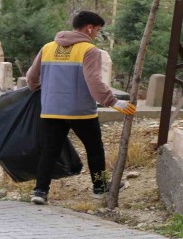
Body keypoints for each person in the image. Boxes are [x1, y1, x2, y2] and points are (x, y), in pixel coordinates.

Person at [26, 11, 136, 205]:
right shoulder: (89, 50)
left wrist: (45, 93)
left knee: (49, 151)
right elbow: (93, 80)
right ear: (89, 28)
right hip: (80, 112)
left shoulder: (48, 47)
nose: (96, 35)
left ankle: (40, 191)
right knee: (94, 149)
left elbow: (31, 78)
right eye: (98, 30)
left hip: (51, 110)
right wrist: (113, 102)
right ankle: (99, 187)